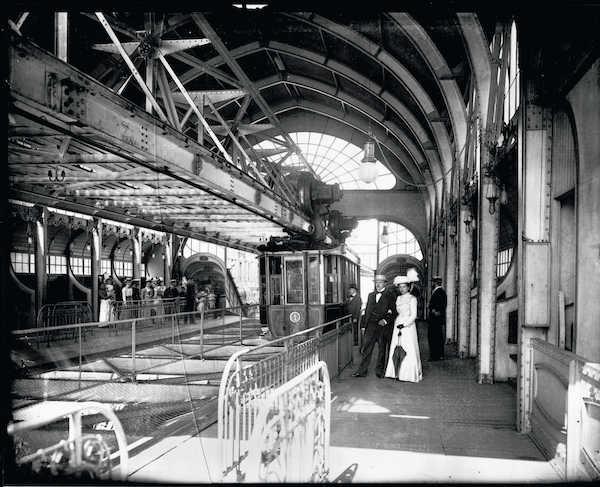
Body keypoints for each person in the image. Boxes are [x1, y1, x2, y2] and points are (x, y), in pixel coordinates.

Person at [352, 274, 397, 378]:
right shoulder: (371, 295)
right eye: (376, 282)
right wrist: (364, 325)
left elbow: (394, 311)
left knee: (382, 349)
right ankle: (362, 371)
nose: (378, 284)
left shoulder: (390, 295)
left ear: (385, 283)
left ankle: (379, 371)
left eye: (380, 282)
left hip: (383, 327)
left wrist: (386, 320)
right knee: (366, 348)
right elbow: (367, 311)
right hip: (371, 326)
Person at [385, 274, 422, 382]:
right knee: (396, 347)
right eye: (400, 287)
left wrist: (405, 324)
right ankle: (395, 372)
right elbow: (396, 311)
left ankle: (407, 375)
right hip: (398, 324)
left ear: (408, 287)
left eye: (404, 287)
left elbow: (413, 315)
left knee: (408, 348)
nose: (402, 289)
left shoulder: (412, 298)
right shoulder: (398, 298)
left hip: (408, 326)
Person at [428, 276, 447, 361]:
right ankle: (439, 355)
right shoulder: (439, 291)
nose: (432, 283)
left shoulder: (439, 291)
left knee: (434, 337)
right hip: (436, 318)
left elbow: (442, 304)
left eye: (433, 282)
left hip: (435, 319)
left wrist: (435, 311)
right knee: (437, 336)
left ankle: (435, 356)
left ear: (435, 283)